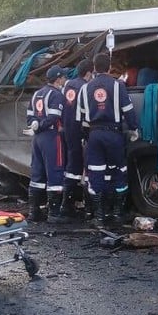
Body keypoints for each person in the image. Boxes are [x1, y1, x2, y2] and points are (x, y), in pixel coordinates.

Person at [76, 52, 139, 229]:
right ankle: (117, 213)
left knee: (95, 173)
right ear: (109, 65)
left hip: (94, 136)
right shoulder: (118, 86)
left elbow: (81, 118)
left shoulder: (85, 88)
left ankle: (99, 216)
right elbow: (128, 110)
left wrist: (86, 136)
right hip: (114, 135)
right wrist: (134, 128)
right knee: (119, 171)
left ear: (94, 67)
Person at [25, 66, 71, 224]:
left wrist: (36, 125)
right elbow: (54, 117)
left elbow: (29, 117)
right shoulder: (57, 95)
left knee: (37, 173)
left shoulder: (37, 94)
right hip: (52, 137)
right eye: (63, 77)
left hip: (37, 138)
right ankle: (54, 213)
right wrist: (44, 124)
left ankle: (34, 211)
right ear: (58, 79)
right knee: (55, 172)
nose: (65, 80)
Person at [60, 58, 94, 219]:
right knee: (87, 168)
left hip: (67, 130)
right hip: (81, 131)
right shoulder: (86, 87)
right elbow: (87, 112)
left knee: (71, 167)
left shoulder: (67, 85)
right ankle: (88, 208)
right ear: (89, 73)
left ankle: (67, 204)